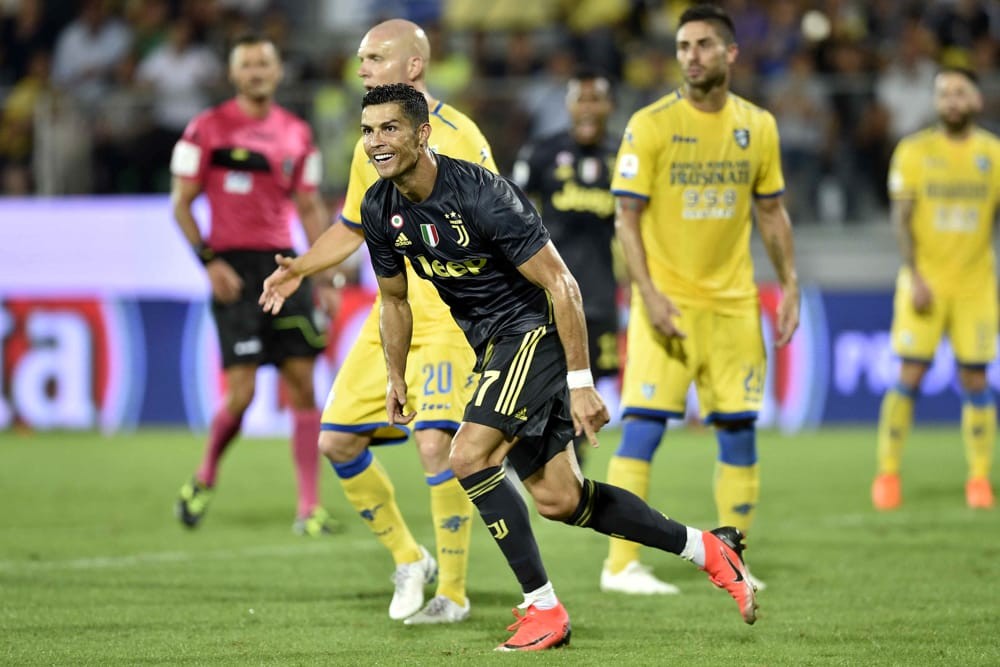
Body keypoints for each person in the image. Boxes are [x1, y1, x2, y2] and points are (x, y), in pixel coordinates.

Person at [335, 81, 759, 651]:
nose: (377, 142)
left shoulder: (484, 194)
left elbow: (562, 283)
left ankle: (545, 609)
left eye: (390, 128)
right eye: (368, 130)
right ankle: (708, 549)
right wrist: (393, 375)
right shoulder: (379, 207)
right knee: (563, 499)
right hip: (492, 346)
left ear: (422, 133)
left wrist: (581, 384)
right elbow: (393, 300)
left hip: (535, 332)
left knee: (466, 454)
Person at [259, 19, 495, 624]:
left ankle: (456, 593)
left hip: (451, 315)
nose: (360, 67)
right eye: (360, 58)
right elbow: (352, 223)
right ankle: (409, 558)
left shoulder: (460, 138)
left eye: (373, 57)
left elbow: (500, 228)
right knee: (337, 440)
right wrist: (300, 269)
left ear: (413, 66)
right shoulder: (375, 139)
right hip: (392, 310)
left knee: (436, 443)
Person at [602, 3, 800, 596]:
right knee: (643, 428)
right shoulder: (651, 124)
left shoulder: (757, 125)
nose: (691, 55)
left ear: (731, 54)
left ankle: (733, 555)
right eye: (684, 45)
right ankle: (620, 567)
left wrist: (789, 282)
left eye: (704, 45)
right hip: (667, 304)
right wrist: (649, 294)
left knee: (738, 430)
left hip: (735, 305)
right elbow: (626, 218)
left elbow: (771, 210)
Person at [170, 33, 340, 536]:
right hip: (233, 271)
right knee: (240, 395)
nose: (257, 72)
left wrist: (323, 272)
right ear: (233, 73)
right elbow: (181, 203)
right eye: (247, 64)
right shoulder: (206, 129)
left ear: (278, 71)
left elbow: (309, 207)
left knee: (303, 386)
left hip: (284, 266)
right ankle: (204, 477)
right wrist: (209, 262)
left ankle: (309, 509)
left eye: (264, 63)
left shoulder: (297, 134)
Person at [872, 67, 999, 511]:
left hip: (976, 287)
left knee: (976, 378)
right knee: (910, 374)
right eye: (943, 92)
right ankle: (887, 473)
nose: (951, 100)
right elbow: (901, 220)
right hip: (923, 284)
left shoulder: (993, 153)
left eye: (960, 92)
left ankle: (979, 479)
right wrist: (916, 275)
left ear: (976, 101)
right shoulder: (913, 150)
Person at [511, 66, 620, 470]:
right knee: (543, 372)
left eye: (596, 99)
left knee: (589, 378)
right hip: (548, 288)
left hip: (601, 291)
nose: (589, 108)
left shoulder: (623, 157)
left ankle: (565, 462)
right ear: (569, 106)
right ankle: (536, 452)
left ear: (609, 106)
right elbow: (512, 206)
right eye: (581, 99)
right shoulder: (541, 152)